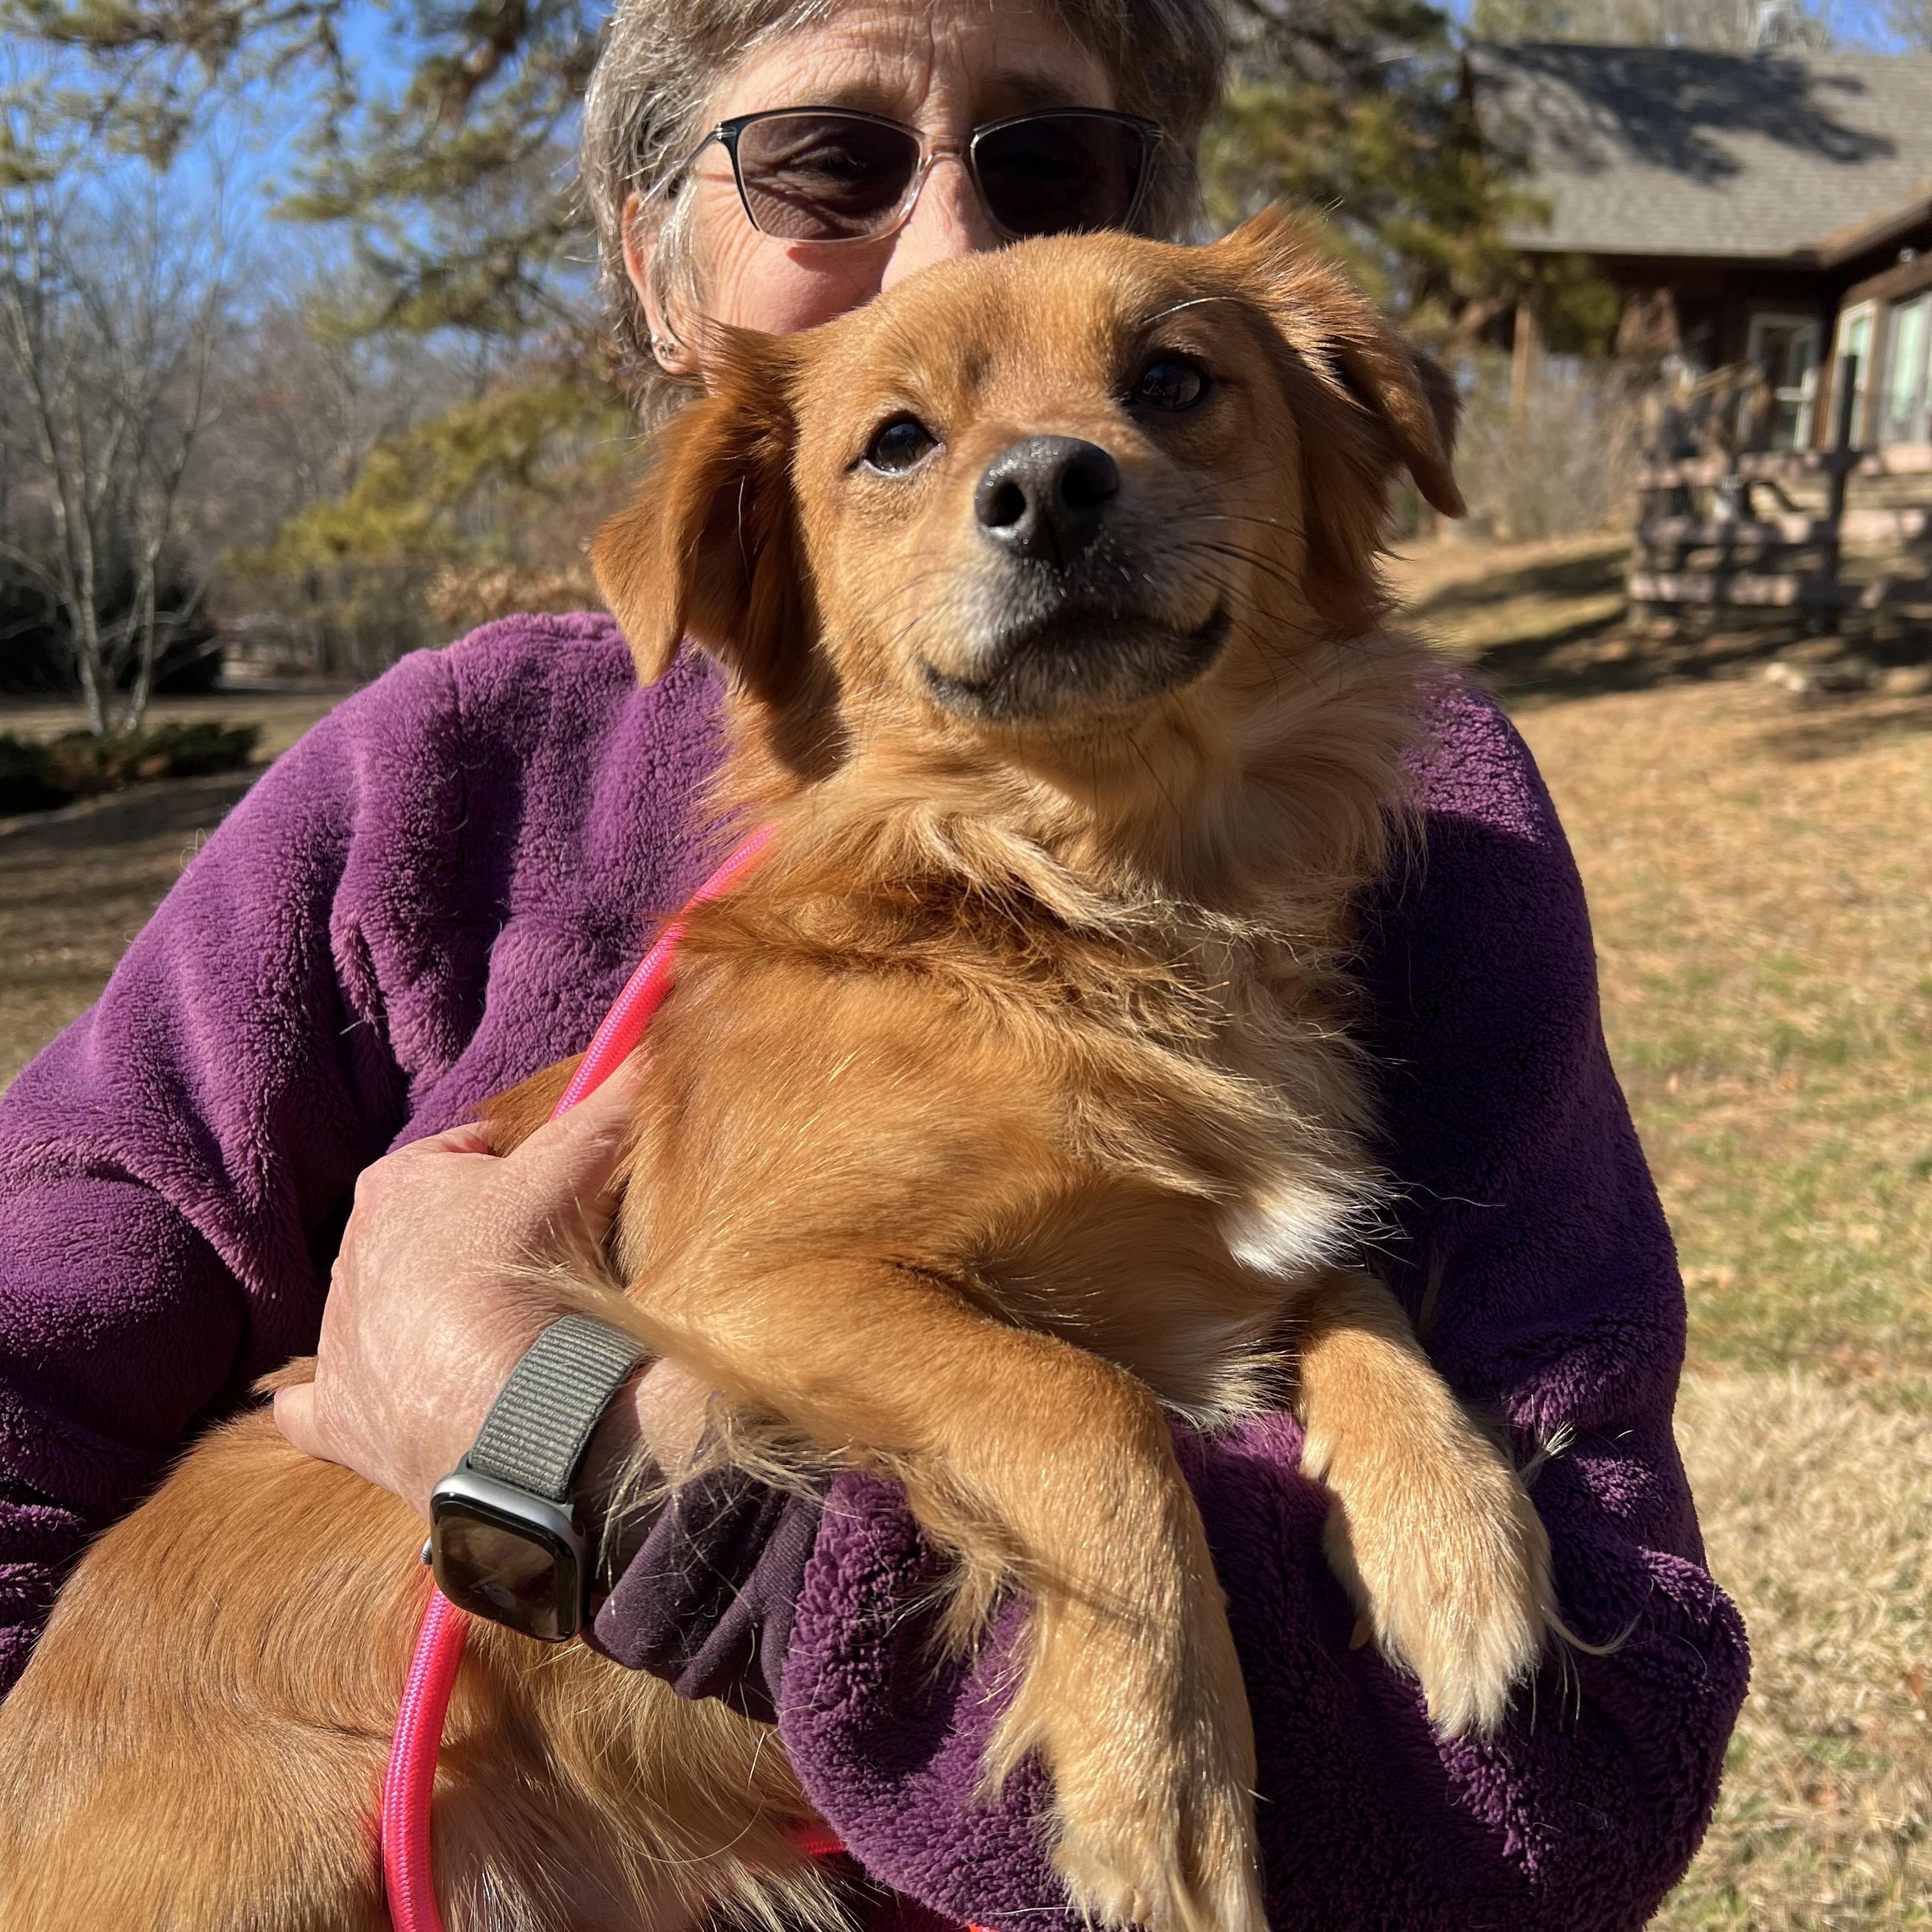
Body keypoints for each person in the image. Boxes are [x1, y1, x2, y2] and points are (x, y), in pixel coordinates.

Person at [0, 1, 1747, 1927]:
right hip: (252, 1780)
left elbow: (1577, 1793)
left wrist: (554, 1441)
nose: (1037, 446)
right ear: (661, 269)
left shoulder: (1447, 852)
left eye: (1054, 178)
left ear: (1332, 458)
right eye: (829, 166)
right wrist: (1078, 1471)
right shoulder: (429, 785)